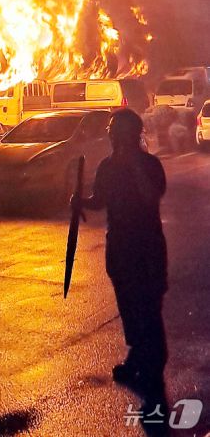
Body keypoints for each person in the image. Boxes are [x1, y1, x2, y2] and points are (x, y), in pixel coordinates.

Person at [71, 108, 168, 395]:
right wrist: (80, 201)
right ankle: (136, 354)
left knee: (148, 305)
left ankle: (153, 363)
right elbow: (100, 200)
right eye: (111, 131)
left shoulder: (150, 165)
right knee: (128, 305)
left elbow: (151, 197)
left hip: (147, 247)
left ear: (131, 134)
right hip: (119, 246)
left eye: (116, 131)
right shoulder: (107, 167)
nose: (111, 135)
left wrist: (133, 164)